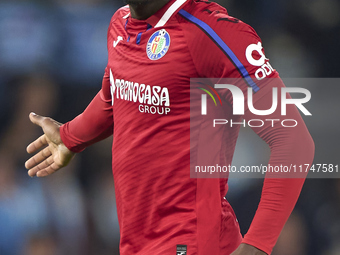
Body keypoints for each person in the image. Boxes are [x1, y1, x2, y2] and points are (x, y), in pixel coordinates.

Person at [25, 0, 315, 254]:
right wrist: (69, 136)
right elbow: (115, 96)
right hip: (136, 243)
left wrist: (256, 246)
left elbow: (294, 140)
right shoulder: (120, 24)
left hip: (190, 243)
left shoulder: (214, 34)